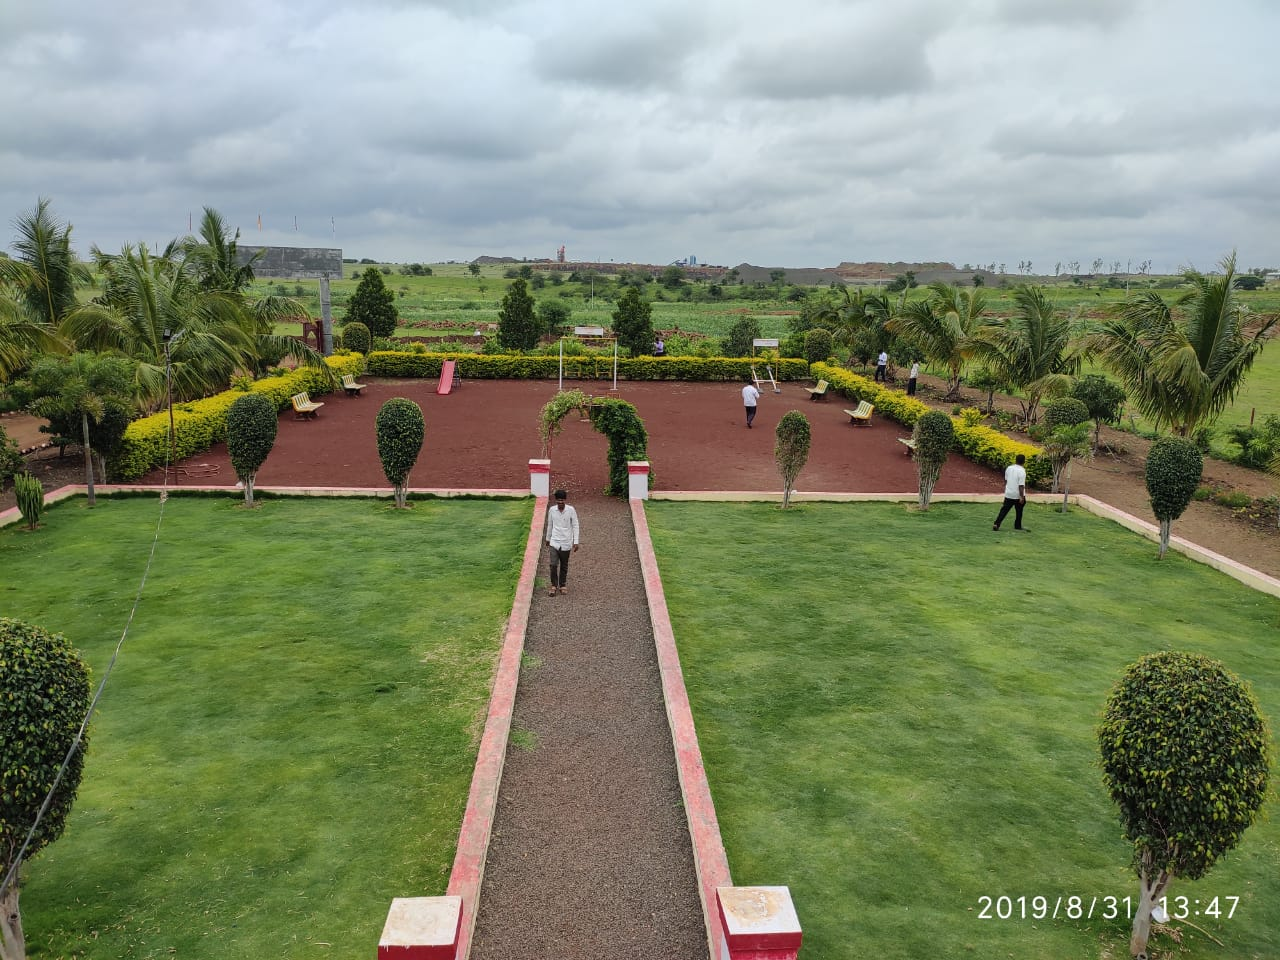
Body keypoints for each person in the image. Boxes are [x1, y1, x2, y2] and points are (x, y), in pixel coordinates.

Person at [545, 489, 580, 595]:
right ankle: (554, 585)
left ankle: (563, 584)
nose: (560, 502)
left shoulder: (571, 510)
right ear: (556, 501)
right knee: (553, 564)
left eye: (562, 500)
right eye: (558, 500)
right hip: (554, 541)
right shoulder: (552, 510)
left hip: (566, 542)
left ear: (565, 500)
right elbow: (550, 525)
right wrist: (547, 538)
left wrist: (576, 541)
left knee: (564, 565)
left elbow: (575, 525)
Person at [993, 454, 1028, 531]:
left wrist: (1008, 488)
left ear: (1015, 460)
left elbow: (1005, 480)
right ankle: (1017, 526)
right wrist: (1021, 497)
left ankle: (996, 524)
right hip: (1017, 495)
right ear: (1024, 462)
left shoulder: (1009, 468)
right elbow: (1021, 486)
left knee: (1004, 510)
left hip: (1009, 493)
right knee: (1019, 510)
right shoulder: (1022, 471)